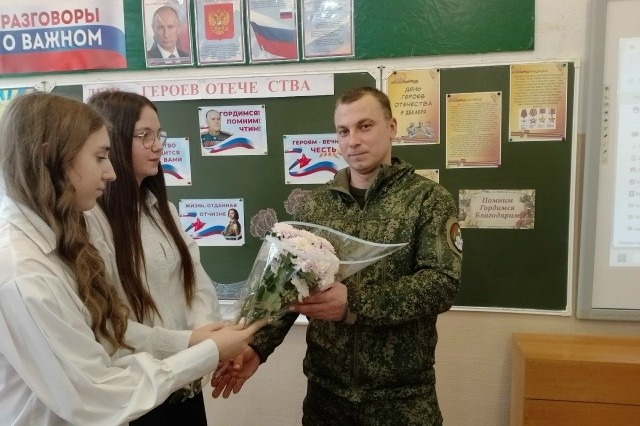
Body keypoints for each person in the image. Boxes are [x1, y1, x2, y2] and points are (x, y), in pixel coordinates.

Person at [0, 91, 262, 425]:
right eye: (100, 156)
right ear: (52, 158)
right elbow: (97, 390)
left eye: (158, 134)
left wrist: (201, 342)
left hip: (156, 384)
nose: (110, 172)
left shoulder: (61, 238)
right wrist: (204, 350)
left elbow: (119, 322)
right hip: (133, 396)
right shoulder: (25, 272)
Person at [213, 86, 463, 425]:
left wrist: (354, 303)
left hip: (402, 402)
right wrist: (257, 347)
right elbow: (289, 289)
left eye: (365, 126)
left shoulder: (428, 200)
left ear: (391, 127)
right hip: (327, 399)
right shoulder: (317, 206)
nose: (353, 141)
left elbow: (441, 285)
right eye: (343, 131)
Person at [86, 90, 223, 425]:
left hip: (185, 383)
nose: (158, 145)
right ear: (113, 142)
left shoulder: (162, 210)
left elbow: (196, 284)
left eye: (159, 134)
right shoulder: (91, 222)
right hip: (140, 394)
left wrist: (208, 337)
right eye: (144, 136)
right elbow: (111, 325)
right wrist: (192, 343)